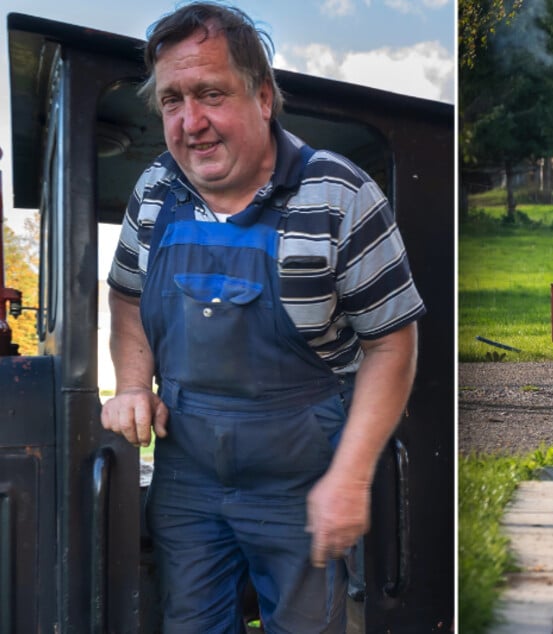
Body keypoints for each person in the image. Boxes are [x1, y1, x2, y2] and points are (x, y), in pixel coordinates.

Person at [100, 3, 424, 631]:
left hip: (303, 480)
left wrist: (350, 478)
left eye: (211, 94)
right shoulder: (155, 190)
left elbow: (393, 345)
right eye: (172, 101)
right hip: (188, 475)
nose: (191, 122)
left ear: (264, 97)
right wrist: (134, 383)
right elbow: (128, 296)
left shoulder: (339, 197)